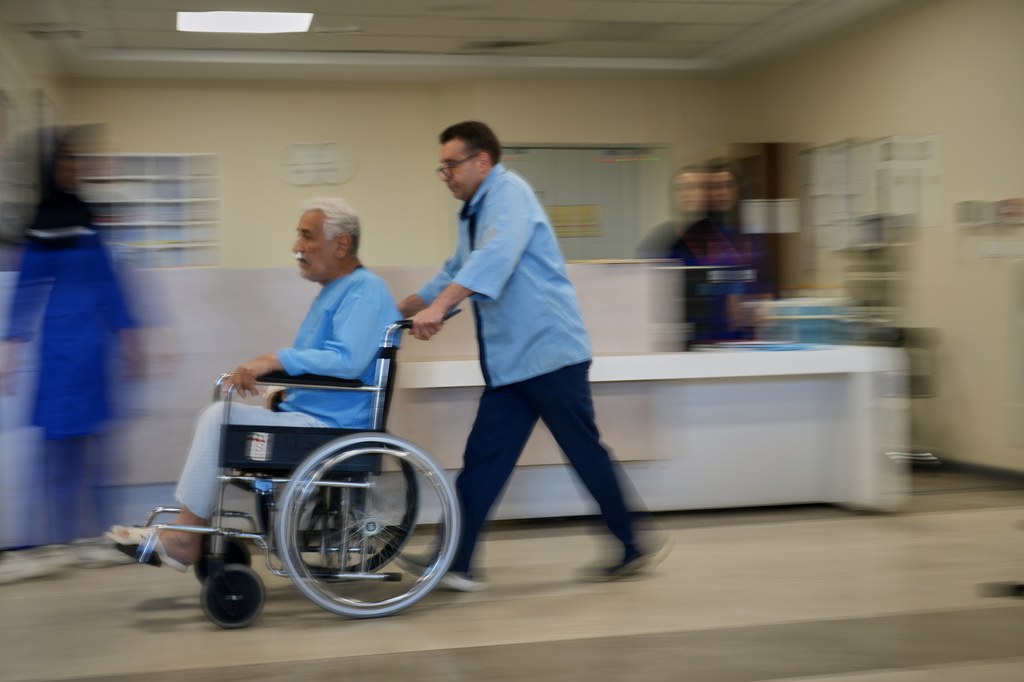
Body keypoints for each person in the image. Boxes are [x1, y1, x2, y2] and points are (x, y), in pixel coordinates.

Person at [399, 120, 664, 591]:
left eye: (451, 166)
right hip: (512, 364)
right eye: (441, 168)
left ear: (482, 161)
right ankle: (456, 561)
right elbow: (456, 269)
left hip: (550, 354)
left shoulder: (509, 193)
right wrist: (403, 308)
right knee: (483, 459)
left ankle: (632, 542)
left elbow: (494, 259)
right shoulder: (473, 210)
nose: (446, 177)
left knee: (584, 452)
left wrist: (440, 307)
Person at [107, 198, 400, 569]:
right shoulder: (340, 291)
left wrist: (272, 361)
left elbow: (347, 362)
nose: (296, 247)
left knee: (219, 418)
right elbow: (331, 362)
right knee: (221, 415)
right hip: (316, 420)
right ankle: (190, 532)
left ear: (341, 244)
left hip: (331, 430)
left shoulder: (364, 289)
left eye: (306, 237)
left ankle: (185, 536)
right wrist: (285, 393)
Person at [2, 132, 140, 547]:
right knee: (57, 451)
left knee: (96, 450)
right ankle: (60, 540)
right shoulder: (41, 221)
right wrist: (10, 348)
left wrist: (130, 337)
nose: (72, 168)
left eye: (75, 161)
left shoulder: (87, 217)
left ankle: (98, 537)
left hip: (94, 347)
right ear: (50, 166)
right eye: (64, 161)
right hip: (57, 345)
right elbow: (26, 290)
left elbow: (108, 283)